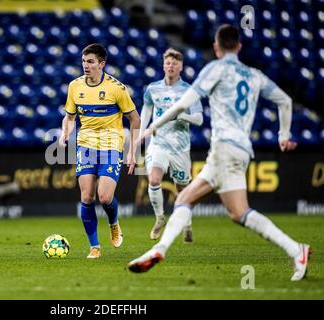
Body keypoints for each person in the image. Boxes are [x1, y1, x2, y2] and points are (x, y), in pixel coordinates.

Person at [128, 25, 310, 281]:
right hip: (243, 151)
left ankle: (159, 250)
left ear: (216, 47)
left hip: (224, 148)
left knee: (184, 200)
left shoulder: (215, 69)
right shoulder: (254, 74)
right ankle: (296, 249)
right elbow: (285, 101)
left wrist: (151, 128)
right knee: (239, 213)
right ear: (239, 46)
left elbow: (182, 104)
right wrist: (283, 135)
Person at [59, 43, 141, 259]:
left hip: (111, 145)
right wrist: (64, 133)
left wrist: (132, 152)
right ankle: (94, 246)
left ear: (102, 64)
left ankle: (113, 223)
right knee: (86, 196)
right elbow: (69, 117)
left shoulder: (117, 89)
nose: (86, 66)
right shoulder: (75, 87)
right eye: (84, 61)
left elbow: (135, 120)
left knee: (104, 197)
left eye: (91, 62)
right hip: (86, 145)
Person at [140, 48, 203, 241]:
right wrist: (142, 133)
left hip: (180, 147)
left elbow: (199, 119)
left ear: (181, 66)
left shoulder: (189, 91)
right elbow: (146, 109)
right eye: (168, 63)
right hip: (159, 143)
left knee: (182, 189)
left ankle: (187, 224)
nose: (170, 66)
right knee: (154, 179)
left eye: (175, 63)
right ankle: (160, 218)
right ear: (163, 65)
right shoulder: (153, 89)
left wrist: (184, 116)